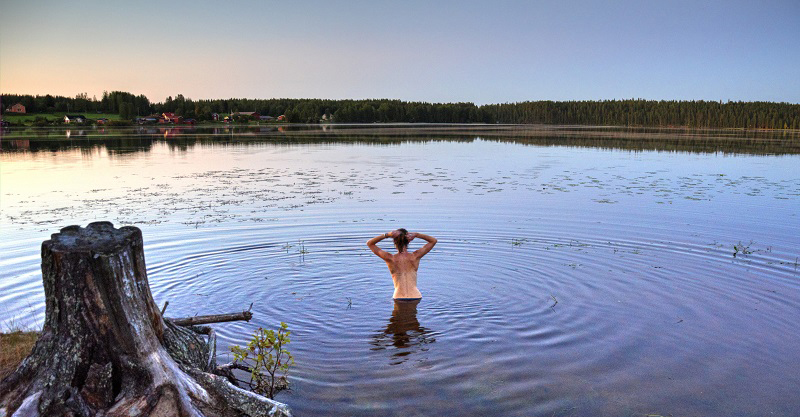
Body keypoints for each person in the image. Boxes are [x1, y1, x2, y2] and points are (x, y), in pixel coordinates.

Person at [367, 228, 437, 300]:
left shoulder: (390, 259)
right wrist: (417, 235)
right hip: (415, 296)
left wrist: (387, 235)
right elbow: (433, 241)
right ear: (409, 241)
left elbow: (370, 243)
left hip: (398, 296)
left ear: (394, 241)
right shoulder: (415, 256)